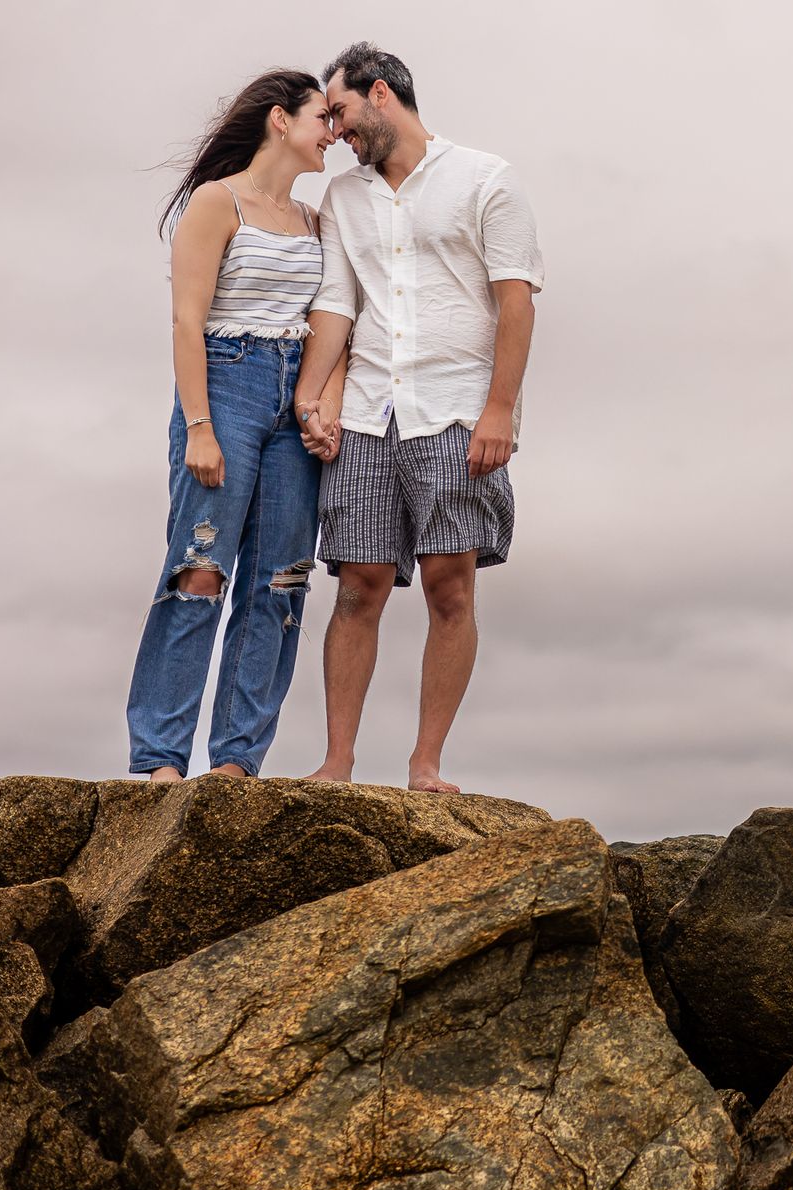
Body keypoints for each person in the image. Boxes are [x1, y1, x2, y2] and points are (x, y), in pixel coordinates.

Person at [293, 42, 543, 793]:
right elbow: (337, 304)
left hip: (459, 407)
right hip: (370, 410)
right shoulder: (343, 199)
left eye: (337, 112)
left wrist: (500, 409)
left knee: (450, 587)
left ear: (381, 95)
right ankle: (337, 762)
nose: (332, 131)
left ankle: (425, 764)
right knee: (358, 585)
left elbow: (516, 301)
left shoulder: (486, 179)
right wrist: (312, 400)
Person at [126, 70, 346, 781]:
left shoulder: (318, 221)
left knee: (281, 581)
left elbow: (334, 325)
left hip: (295, 396)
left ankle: (236, 761)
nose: (332, 132)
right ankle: (160, 757)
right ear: (280, 121)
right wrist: (199, 427)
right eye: (322, 118)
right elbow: (187, 321)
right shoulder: (216, 205)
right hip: (225, 381)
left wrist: (324, 403)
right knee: (199, 567)